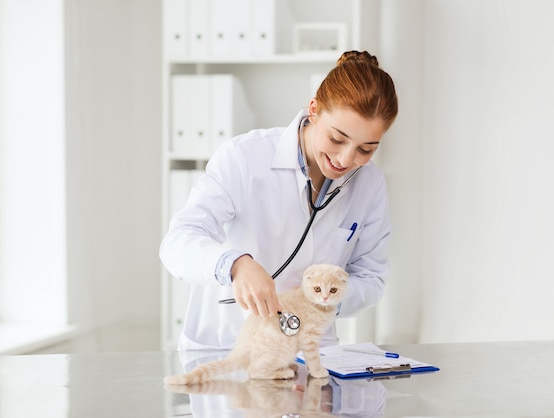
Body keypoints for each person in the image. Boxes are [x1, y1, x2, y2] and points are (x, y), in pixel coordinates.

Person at [160, 50, 398, 350]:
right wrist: (234, 264)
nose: (346, 159)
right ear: (314, 109)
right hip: (227, 350)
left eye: (366, 149)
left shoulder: (370, 183)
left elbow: (372, 277)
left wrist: (321, 299)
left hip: (310, 352)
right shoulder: (243, 157)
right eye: (337, 139)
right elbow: (178, 242)